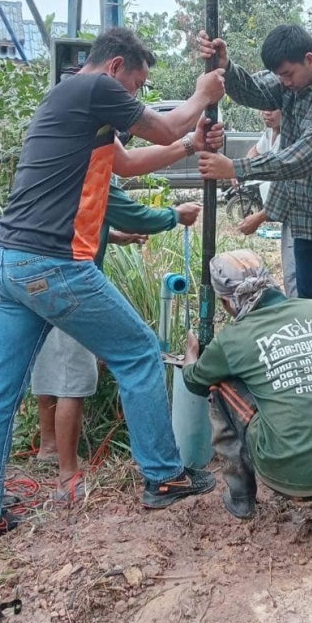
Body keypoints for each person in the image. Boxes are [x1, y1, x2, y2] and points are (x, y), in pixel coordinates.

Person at [0, 27, 226, 539]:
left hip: (8, 262)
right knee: (139, 353)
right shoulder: (97, 89)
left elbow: (125, 163)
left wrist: (188, 144)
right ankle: (163, 477)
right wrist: (201, 96)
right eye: (137, 86)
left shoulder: (70, 98)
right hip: (50, 265)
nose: (136, 98)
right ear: (115, 67)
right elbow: (164, 129)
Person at [196, 25, 312, 427]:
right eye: (279, 76)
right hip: (307, 224)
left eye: (287, 74)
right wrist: (227, 67)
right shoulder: (291, 84)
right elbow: (253, 91)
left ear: (310, 60)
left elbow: (305, 157)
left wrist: (238, 167)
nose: (283, 83)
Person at [33, 169, 207, 502]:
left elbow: (73, 221)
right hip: (69, 280)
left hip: (29, 271)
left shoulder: (55, 160)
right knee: (77, 376)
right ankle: (69, 477)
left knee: (47, 363)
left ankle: (49, 447)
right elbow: (136, 214)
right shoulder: (93, 162)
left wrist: (115, 237)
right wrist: (175, 215)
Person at [181, 250, 312, 538]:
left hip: (288, 472)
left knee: (220, 384)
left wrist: (191, 358)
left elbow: (196, 382)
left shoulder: (233, 339)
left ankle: (241, 498)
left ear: (226, 303)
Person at [234, 109, 297, 297]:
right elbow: (256, 151)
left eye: (272, 108)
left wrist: (259, 218)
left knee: (295, 275)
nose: (265, 113)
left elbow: (287, 188)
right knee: (291, 273)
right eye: (263, 108)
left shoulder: (292, 137)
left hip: (298, 216)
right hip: (286, 218)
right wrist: (241, 169)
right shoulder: (270, 132)